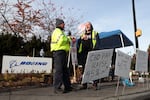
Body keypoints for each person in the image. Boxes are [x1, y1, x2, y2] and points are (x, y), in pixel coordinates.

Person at [51, 18, 74, 93]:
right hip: (58, 52)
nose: (64, 25)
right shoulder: (57, 31)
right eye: (63, 24)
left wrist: (68, 38)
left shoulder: (60, 32)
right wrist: (69, 39)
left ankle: (68, 86)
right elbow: (61, 40)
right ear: (59, 24)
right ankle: (57, 88)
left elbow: (63, 39)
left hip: (62, 52)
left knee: (64, 70)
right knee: (59, 70)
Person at [77, 22, 100, 90]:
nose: (87, 26)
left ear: (91, 26)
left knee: (93, 69)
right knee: (84, 70)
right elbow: (78, 44)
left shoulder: (95, 33)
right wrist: (81, 39)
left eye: (88, 25)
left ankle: (95, 84)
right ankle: (84, 84)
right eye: (86, 25)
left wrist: (95, 50)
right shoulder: (82, 34)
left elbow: (98, 43)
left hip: (92, 53)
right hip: (84, 55)